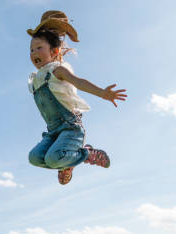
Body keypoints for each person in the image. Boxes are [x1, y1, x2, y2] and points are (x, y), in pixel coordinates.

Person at [27, 10, 127, 185]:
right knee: (34, 158)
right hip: (52, 132)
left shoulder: (57, 70)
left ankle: (87, 154)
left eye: (39, 48)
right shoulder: (35, 79)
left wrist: (103, 93)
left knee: (53, 159)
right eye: (32, 49)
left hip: (70, 129)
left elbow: (79, 82)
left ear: (55, 51)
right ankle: (67, 163)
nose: (34, 52)